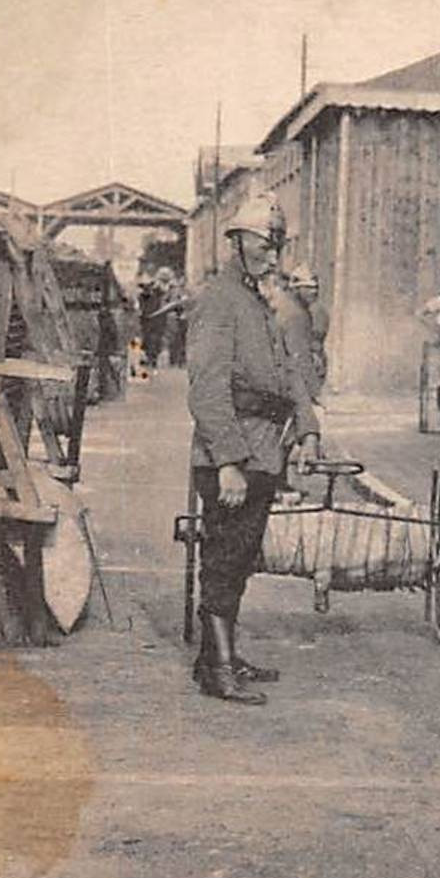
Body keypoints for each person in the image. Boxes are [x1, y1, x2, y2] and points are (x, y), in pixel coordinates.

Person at [186, 200, 321, 706]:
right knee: (224, 558)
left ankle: (219, 654)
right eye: (265, 246)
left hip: (264, 451)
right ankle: (217, 670)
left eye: (278, 247)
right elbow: (207, 388)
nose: (273, 256)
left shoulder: (258, 302)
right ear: (238, 243)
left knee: (240, 557)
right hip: (233, 457)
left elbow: (289, 373)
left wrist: (307, 429)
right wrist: (227, 463)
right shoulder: (218, 301)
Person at [272, 262, 325, 402]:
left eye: (315, 288)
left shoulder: (290, 306)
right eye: (307, 287)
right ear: (295, 289)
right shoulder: (295, 314)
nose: (313, 292)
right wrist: (313, 393)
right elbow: (300, 356)